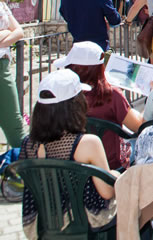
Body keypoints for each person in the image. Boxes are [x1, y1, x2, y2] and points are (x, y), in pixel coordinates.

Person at [20, 69, 118, 240]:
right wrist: (115, 175)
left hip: (45, 225)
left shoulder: (28, 144)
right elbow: (107, 192)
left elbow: (27, 183)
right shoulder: (88, 143)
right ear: (75, 105)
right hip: (87, 226)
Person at [58, 42, 144, 170]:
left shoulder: (61, 94)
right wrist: (149, 100)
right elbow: (138, 126)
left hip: (75, 164)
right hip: (111, 165)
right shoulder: (112, 95)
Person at [0, 0, 26, 148]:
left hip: (2, 67)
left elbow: (19, 31)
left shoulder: (1, 3)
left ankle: (25, 159)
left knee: (14, 123)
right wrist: (6, 33)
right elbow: (13, 31)